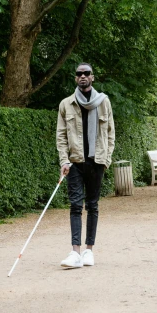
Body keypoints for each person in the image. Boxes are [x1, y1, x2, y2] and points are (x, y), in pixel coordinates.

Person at [55, 62, 115, 269]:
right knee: (75, 206)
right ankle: (75, 252)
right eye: (79, 73)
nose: (83, 76)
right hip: (75, 163)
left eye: (86, 73)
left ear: (92, 77)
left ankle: (89, 250)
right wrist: (64, 160)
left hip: (96, 161)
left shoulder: (103, 102)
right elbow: (61, 136)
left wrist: (106, 160)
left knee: (93, 206)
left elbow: (110, 133)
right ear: (75, 78)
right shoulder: (66, 104)